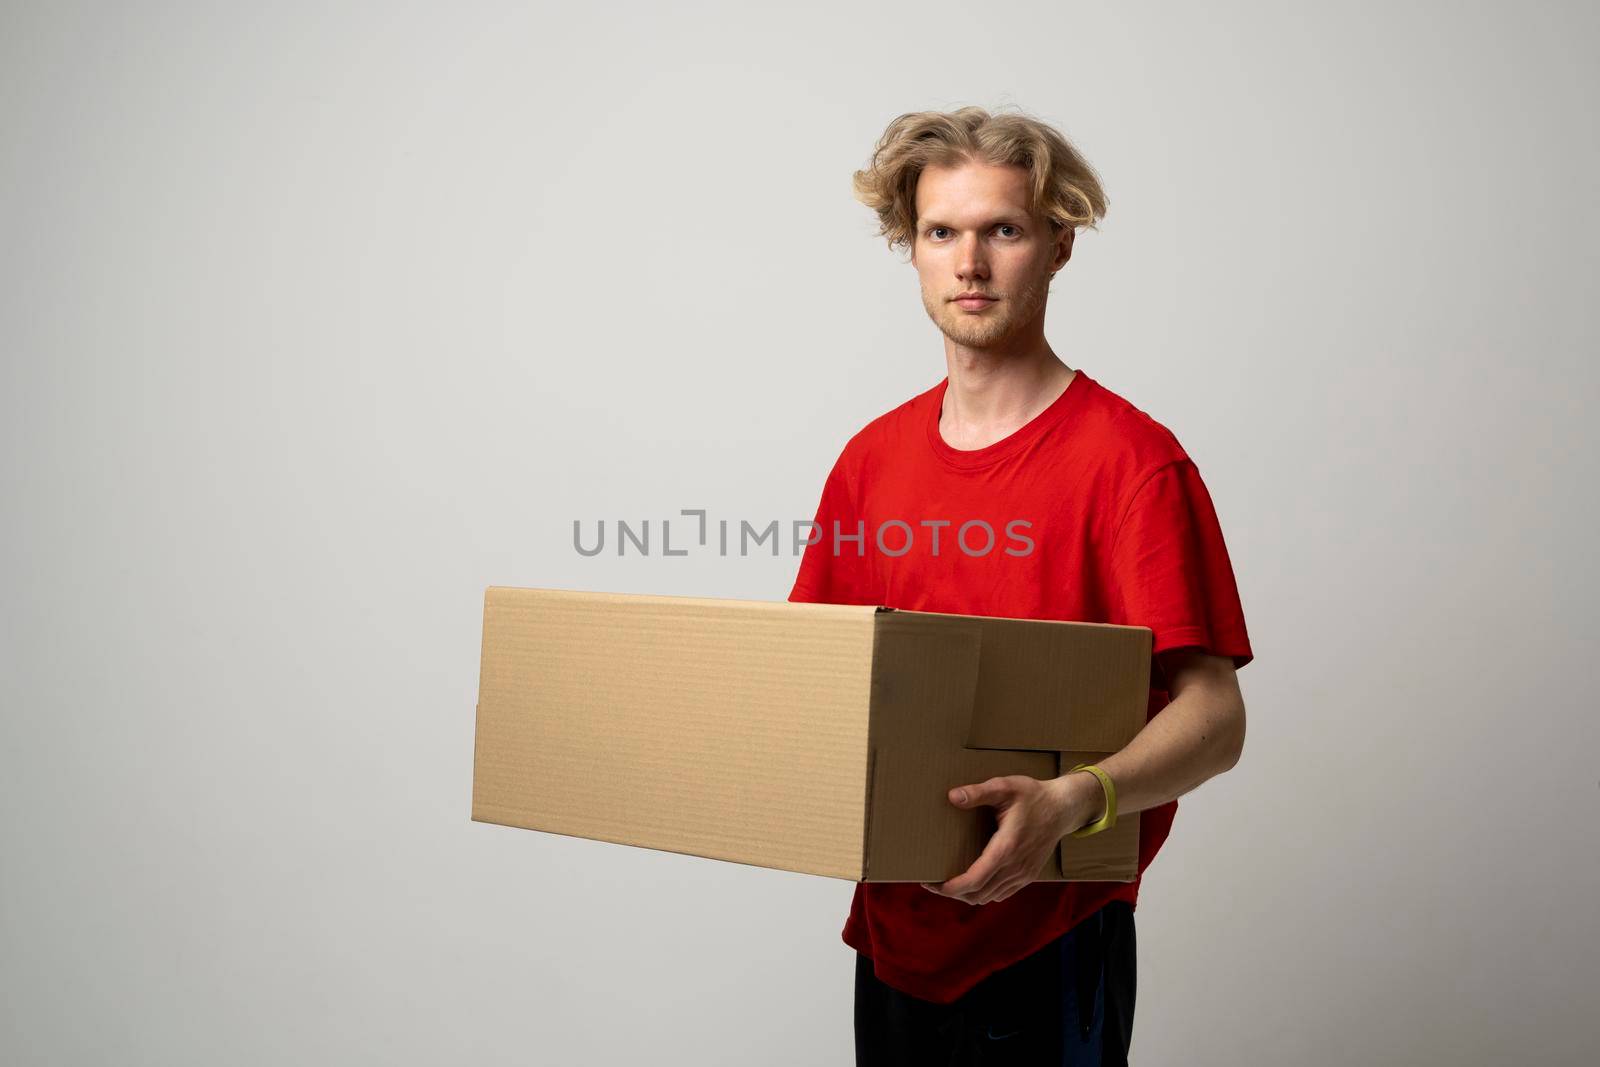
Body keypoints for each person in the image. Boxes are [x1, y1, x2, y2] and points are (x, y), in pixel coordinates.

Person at [786, 106, 1255, 1065]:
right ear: (909, 249)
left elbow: (1216, 717)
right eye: (940, 232)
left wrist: (1073, 800)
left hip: (1055, 940)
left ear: (1057, 246)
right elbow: (812, 684)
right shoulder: (868, 463)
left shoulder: (1134, 465)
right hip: (895, 941)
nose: (970, 263)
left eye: (1003, 228)